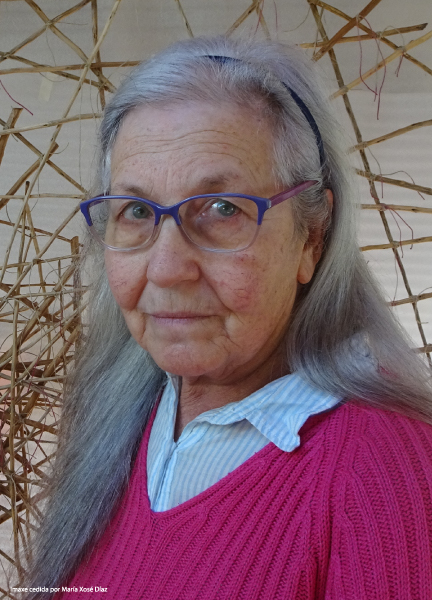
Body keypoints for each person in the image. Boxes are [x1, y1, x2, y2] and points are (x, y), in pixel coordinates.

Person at [25, 36, 432, 600]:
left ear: (311, 238)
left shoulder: (385, 477)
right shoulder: (121, 410)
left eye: (222, 209)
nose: (167, 269)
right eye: (137, 211)